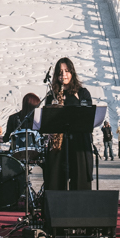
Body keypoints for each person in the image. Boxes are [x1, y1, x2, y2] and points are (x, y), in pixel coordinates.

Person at [44, 57, 93, 191]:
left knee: (80, 179)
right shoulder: (51, 95)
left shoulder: (82, 93)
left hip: (79, 143)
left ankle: (80, 209)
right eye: (60, 72)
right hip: (58, 144)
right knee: (54, 180)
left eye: (66, 71)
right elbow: (46, 120)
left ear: (72, 72)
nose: (63, 75)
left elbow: (88, 116)